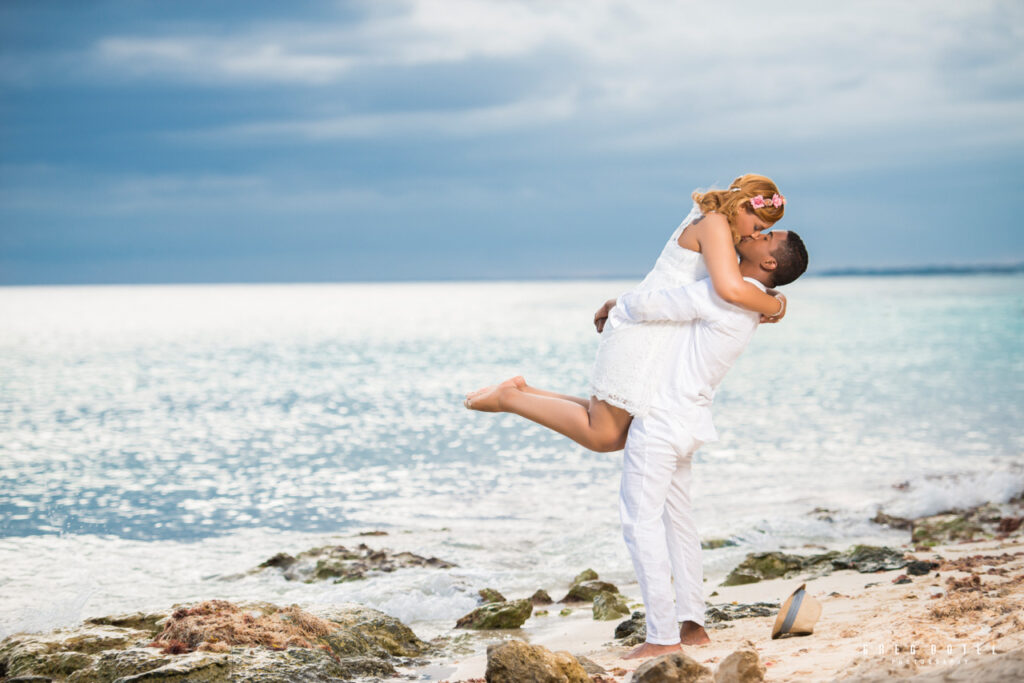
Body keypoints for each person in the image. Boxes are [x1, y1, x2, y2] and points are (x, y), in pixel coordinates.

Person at [465, 227, 809, 659]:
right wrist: (778, 303)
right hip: (689, 421)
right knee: (678, 523)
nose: (756, 232)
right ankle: (692, 626)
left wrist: (616, 304)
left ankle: (662, 636)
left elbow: (656, 305)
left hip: (662, 422)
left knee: (639, 524)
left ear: (770, 262)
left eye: (767, 235)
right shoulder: (749, 301)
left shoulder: (726, 294)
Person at [465, 174, 788, 453]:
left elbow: (718, 284)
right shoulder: (715, 223)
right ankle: (510, 398)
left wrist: (767, 293)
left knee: (616, 430)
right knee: (603, 435)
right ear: (744, 205)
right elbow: (730, 290)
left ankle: (526, 392)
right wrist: (777, 306)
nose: (753, 235)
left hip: (650, 330)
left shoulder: (716, 225)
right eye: (758, 225)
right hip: (642, 334)